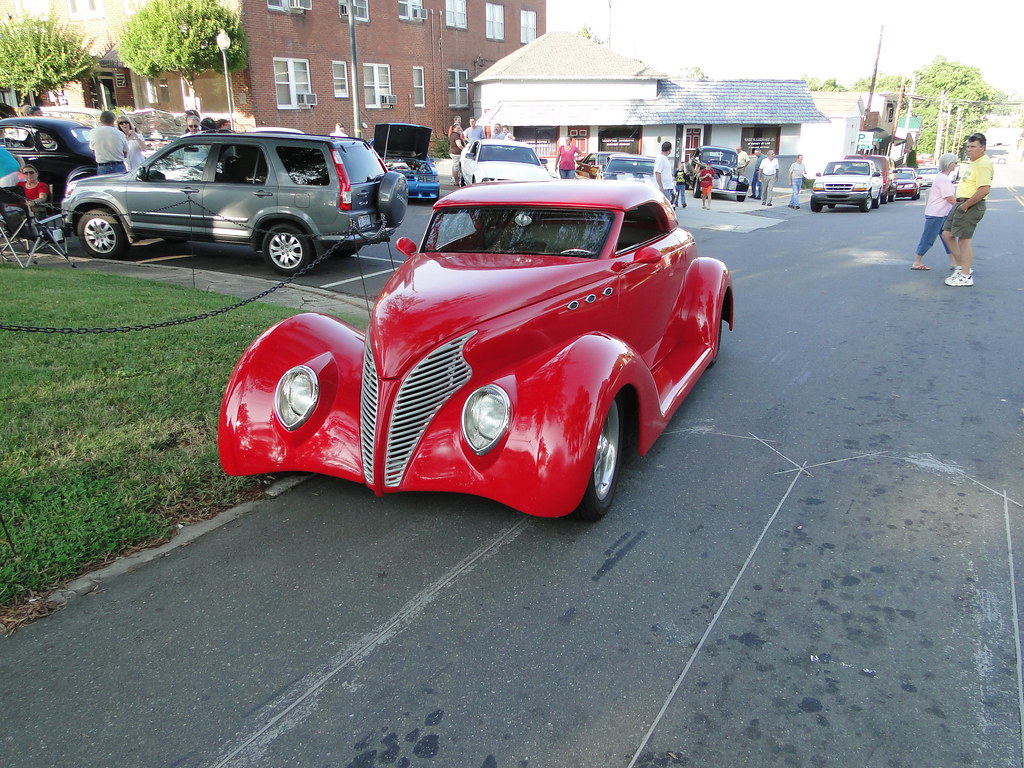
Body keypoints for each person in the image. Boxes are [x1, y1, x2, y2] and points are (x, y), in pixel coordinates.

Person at [941, 133, 993, 287]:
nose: (969, 149)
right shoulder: (975, 163)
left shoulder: (983, 164)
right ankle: (962, 267)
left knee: (964, 239)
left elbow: (984, 189)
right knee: (947, 234)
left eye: (973, 147)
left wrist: (965, 205)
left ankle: (965, 275)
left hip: (970, 205)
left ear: (983, 148)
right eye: (968, 146)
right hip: (961, 202)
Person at [911, 153, 958, 270]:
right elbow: (950, 198)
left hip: (942, 214)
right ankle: (917, 261)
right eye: (955, 163)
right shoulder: (943, 179)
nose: (956, 165)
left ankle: (954, 262)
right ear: (949, 164)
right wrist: (962, 207)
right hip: (936, 214)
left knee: (948, 238)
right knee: (928, 238)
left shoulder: (943, 177)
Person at [88, 110, 129, 175]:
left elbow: (93, 150)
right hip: (119, 166)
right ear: (114, 120)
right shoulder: (120, 134)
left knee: (104, 185)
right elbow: (125, 154)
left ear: (101, 120)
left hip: (103, 167)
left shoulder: (93, 132)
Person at [448, 118, 465, 185]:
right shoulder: (456, 135)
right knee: (456, 167)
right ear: (454, 129)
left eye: (460, 128)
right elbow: (459, 145)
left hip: (453, 152)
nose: (459, 129)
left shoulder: (453, 134)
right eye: (458, 128)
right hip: (456, 153)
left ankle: (456, 180)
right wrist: (465, 150)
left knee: (455, 166)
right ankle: (456, 182)